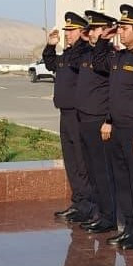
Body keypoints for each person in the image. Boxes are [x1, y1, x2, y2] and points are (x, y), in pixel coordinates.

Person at [93, 4, 133, 249]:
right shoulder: (119, 57)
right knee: (122, 181)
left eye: (125, 28)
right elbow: (99, 64)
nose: (121, 31)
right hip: (117, 128)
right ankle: (128, 227)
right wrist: (103, 40)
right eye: (120, 27)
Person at [43, 12, 95, 223]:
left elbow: (76, 61)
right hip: (65, 113)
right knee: (71, 161)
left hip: (77, 115)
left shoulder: (83, 53)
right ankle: (78, 202)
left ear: (82, 32)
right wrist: (50, 46)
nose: (67, 34)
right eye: (67, 31)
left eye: (72, 31)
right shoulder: (67, 54)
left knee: (81, 162)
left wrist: (82, 42)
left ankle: (87, 205)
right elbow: (50, 64)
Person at [74, 10, 119, 233]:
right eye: (89, 29)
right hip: (84, 119)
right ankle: (99, 213)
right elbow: (71, 59)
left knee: (103, 172)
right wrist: (83, 39)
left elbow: (114, 91)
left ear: (106, 31)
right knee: (92, 171)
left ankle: (109, 217)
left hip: (99, 121)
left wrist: (109, 119)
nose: (91, 33)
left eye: (95, 29)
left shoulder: (110, 56)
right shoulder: (87, 54)